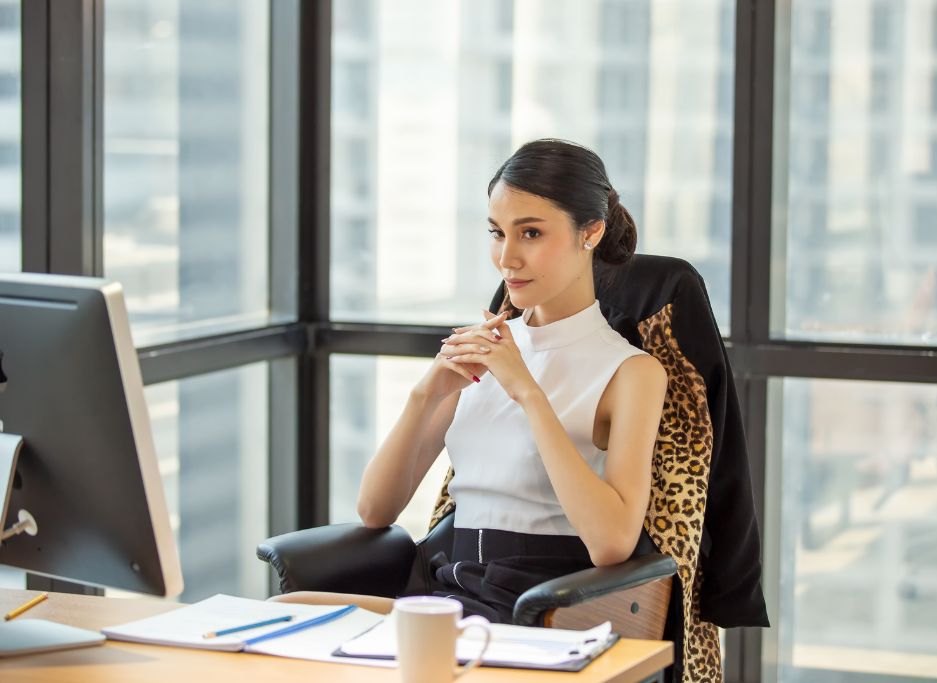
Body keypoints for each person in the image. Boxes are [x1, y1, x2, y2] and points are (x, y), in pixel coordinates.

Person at [273, 139, 667, 622]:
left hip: (537, 606)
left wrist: (528, 393)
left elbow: (612, 544)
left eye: (531, 233)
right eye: (497, 233)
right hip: (446, 591)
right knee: (284, 616)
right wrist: (426, 393)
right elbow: (375, 510)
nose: (507, 259)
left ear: (591, 233)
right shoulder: (488, 349)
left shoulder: (630, 372)